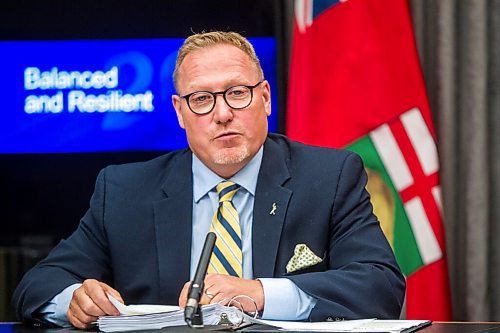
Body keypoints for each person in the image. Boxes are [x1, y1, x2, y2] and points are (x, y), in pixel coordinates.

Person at [12, 31, 405, 329]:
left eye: (237, 93)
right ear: (180, 113)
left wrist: (261, 294)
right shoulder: (124, 191)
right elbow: (39, 284)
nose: (222, 114)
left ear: (265, 98)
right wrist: (74, 300)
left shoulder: (329, 177)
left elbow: (380, 287)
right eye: (202, 99)